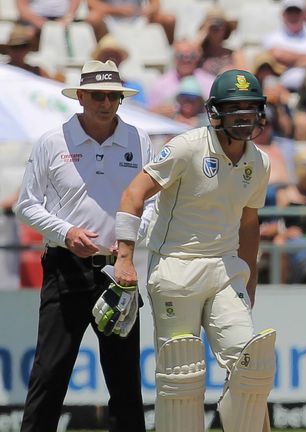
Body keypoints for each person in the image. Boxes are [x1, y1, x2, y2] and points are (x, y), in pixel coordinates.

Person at [112, 69, 276, 432]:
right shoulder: (187, 146)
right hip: (176, 266)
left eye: (251, 106)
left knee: (252, 364)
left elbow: (249, 226)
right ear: (215, 112)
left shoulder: (259, 162)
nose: (245, 115)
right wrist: (124, 257)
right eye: (235, 107)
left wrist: (249, 284)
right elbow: (133, 195)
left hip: (225, 269)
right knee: (180, 375)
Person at [15, 60, 150, 432]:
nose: (105, 103)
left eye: (113, 96)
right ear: (80, 97)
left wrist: (126, 248)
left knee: (125, 381)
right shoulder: (53, 141)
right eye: (97, 95)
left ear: (121, 99)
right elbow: (26, 205)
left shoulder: (140, 139)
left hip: (119, 271)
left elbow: (153, 203)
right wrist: (66, 233)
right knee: (50, 373)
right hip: (65, 268)